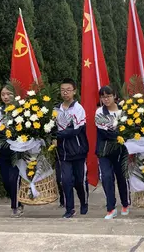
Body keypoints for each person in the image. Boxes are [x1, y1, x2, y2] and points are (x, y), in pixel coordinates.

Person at [55, 78, 89, 218]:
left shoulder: (78, 108)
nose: (65, 93)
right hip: (63, 152)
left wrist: (58, 134)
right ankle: (69, 209)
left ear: (74, 91)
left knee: (79, 181)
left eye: (68, 90)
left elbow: (75, 130)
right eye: (63, 90)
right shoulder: (56, 109)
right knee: (66, 180)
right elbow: (51, 126)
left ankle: (83, 201)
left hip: (78, 150)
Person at [95, 86, 130, 219]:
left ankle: (125, 203)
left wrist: (125, 134)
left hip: (121, 150)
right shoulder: (99, 112)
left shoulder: (123, 111)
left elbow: (128, 128)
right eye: (103, 97)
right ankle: (111, 207)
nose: (106, 99)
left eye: (108, 96)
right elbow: (105, 132)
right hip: (104, 151)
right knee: (107, 177)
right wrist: (121, 134)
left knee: (122, 177)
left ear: (114, 95)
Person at [0, 85, 24, 217]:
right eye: (3, 94)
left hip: (17, 151)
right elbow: (0, 129)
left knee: (14, 179)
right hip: (4, 151)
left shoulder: (22, 111)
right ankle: (17, 202)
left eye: (8, 94)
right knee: (6, 181)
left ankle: (16, 207)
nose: (5, 97)